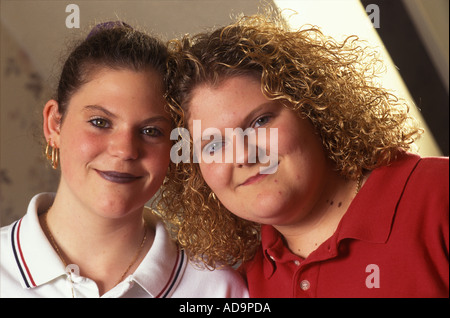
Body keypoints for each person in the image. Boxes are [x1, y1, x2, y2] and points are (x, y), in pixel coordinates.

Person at [163, 13, 449, 297]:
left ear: (312, 109)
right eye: (213, 146)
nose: (243, 156)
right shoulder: (241, 288)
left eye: (260, 122)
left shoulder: (437, 193)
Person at [0, 21, 248, 298]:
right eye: (100, 122)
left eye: (151, 131)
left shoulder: (220, 290)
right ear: (54, 125)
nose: (125, 149)